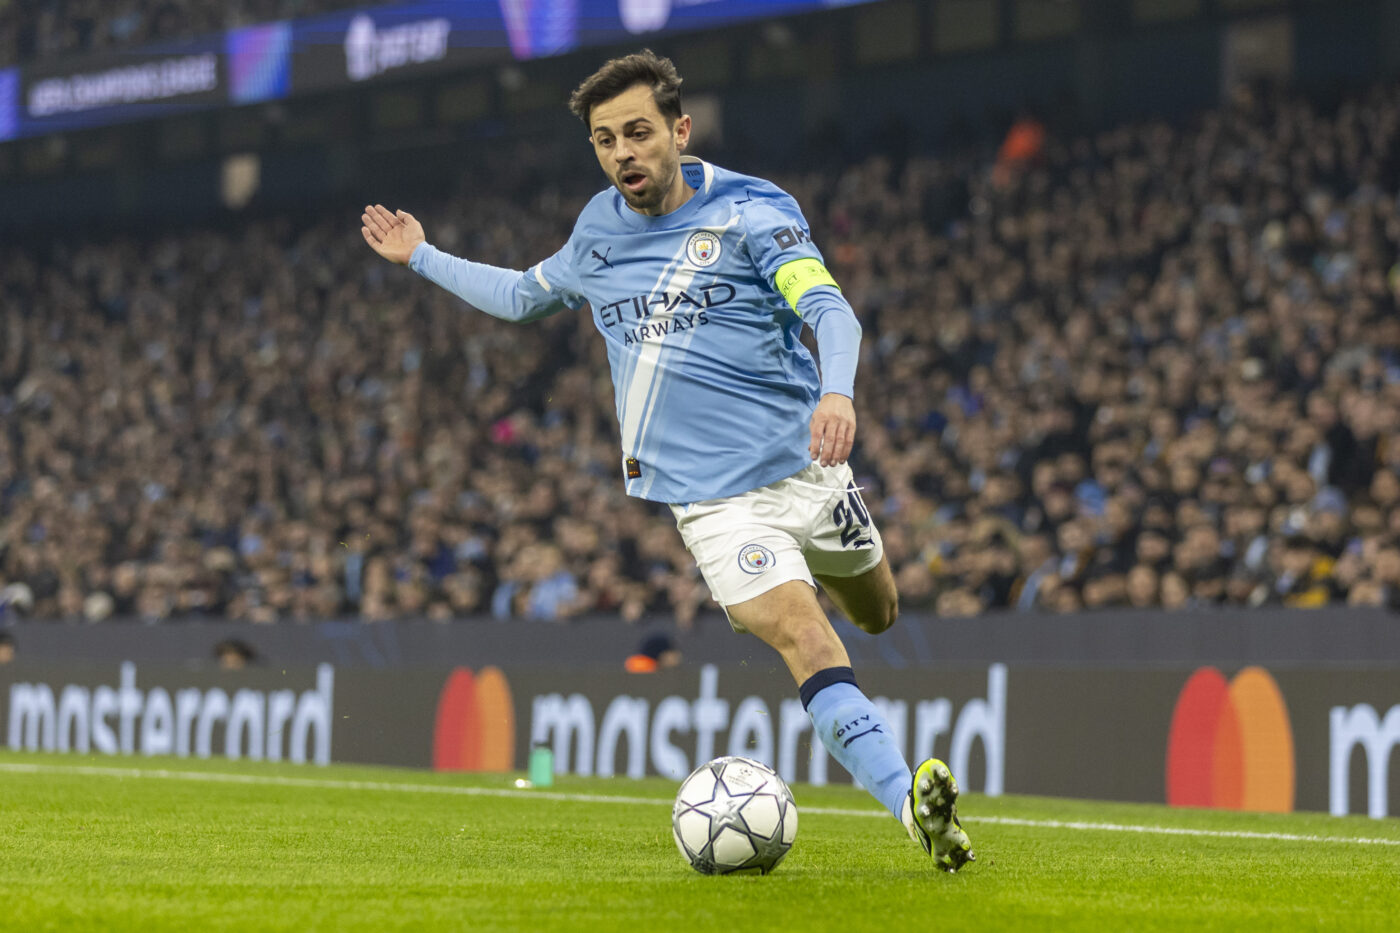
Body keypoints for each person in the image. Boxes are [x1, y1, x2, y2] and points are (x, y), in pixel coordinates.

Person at [360, 49, 974, 872]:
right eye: (605, 139)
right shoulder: (597, 233)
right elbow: (520, 296)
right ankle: (914, 809)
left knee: (879, 612)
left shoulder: (753, 210)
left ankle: (897, 770)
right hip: (715, 504)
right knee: (806, 632)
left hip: (809, 468)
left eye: (638, 132)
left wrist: (838, 392)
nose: (623, 152)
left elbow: (829, 309)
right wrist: (421, 255)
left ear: (680, 131)